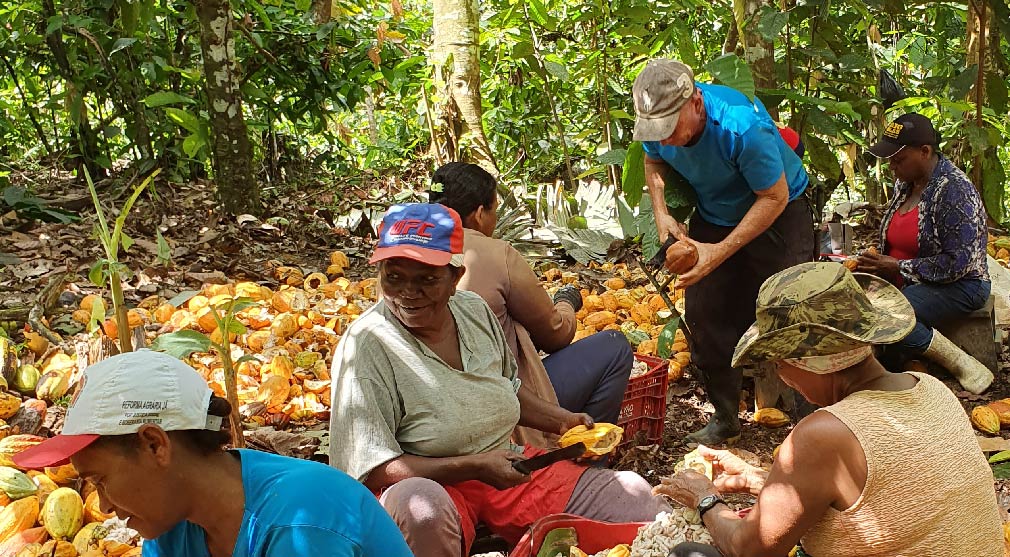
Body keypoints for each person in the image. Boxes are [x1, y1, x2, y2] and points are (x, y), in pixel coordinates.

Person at [328, 203, 666, 557]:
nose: (408, 293)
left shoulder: (473, 311)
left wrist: (563, 420)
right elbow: (373, 468)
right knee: (422, 509)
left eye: (427, 279)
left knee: (636, 496)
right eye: (393, 277)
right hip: (429, 481)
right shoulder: (367, 344)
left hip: (510, 464)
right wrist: (473, 466)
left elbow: (508, 392)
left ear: (455, 278)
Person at [653, 262, 1005, 557]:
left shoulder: (824, 434)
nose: (781, 376)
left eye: (779, 364)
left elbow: (750, 549)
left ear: (809, 362)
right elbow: (900, 499)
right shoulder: (931, 388)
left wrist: (705, 500)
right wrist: (764, 482)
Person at [12, 350, 413, 557]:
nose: (103, 504)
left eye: (100, 481)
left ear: (155, 445)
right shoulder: (171, 527)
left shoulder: (300, 522)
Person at [632, 58, 815, 444]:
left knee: (791, 311)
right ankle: (726, 416)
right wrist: (661, 214)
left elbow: (774, 195)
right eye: (655, 130)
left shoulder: (742, 127)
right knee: (705, 313)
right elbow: (653, 159)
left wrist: (721, 251)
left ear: (696, 102)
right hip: (715, 214)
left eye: (669, 128)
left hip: (778, 209)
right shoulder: (658, 121)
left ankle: (812, 420)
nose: (662, 138)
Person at [428, 162, 635, 448]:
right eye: (494, 211)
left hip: (439, 412)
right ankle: (587, 459)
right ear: (479, 214)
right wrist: (565, 302)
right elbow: (555, 335)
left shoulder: (405, 260)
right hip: (499, 412)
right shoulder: (495, 255)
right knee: (614, 345)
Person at [856, 113, 993, 394]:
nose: (892, 166)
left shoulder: (954, 191)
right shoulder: (905, 184)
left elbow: (957, 263)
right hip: (909, 279)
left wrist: (898, 267)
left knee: (890, 316)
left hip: (960, 284)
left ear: (925, 152)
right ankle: (906, 363)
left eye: (898, 159)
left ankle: (961, 363)